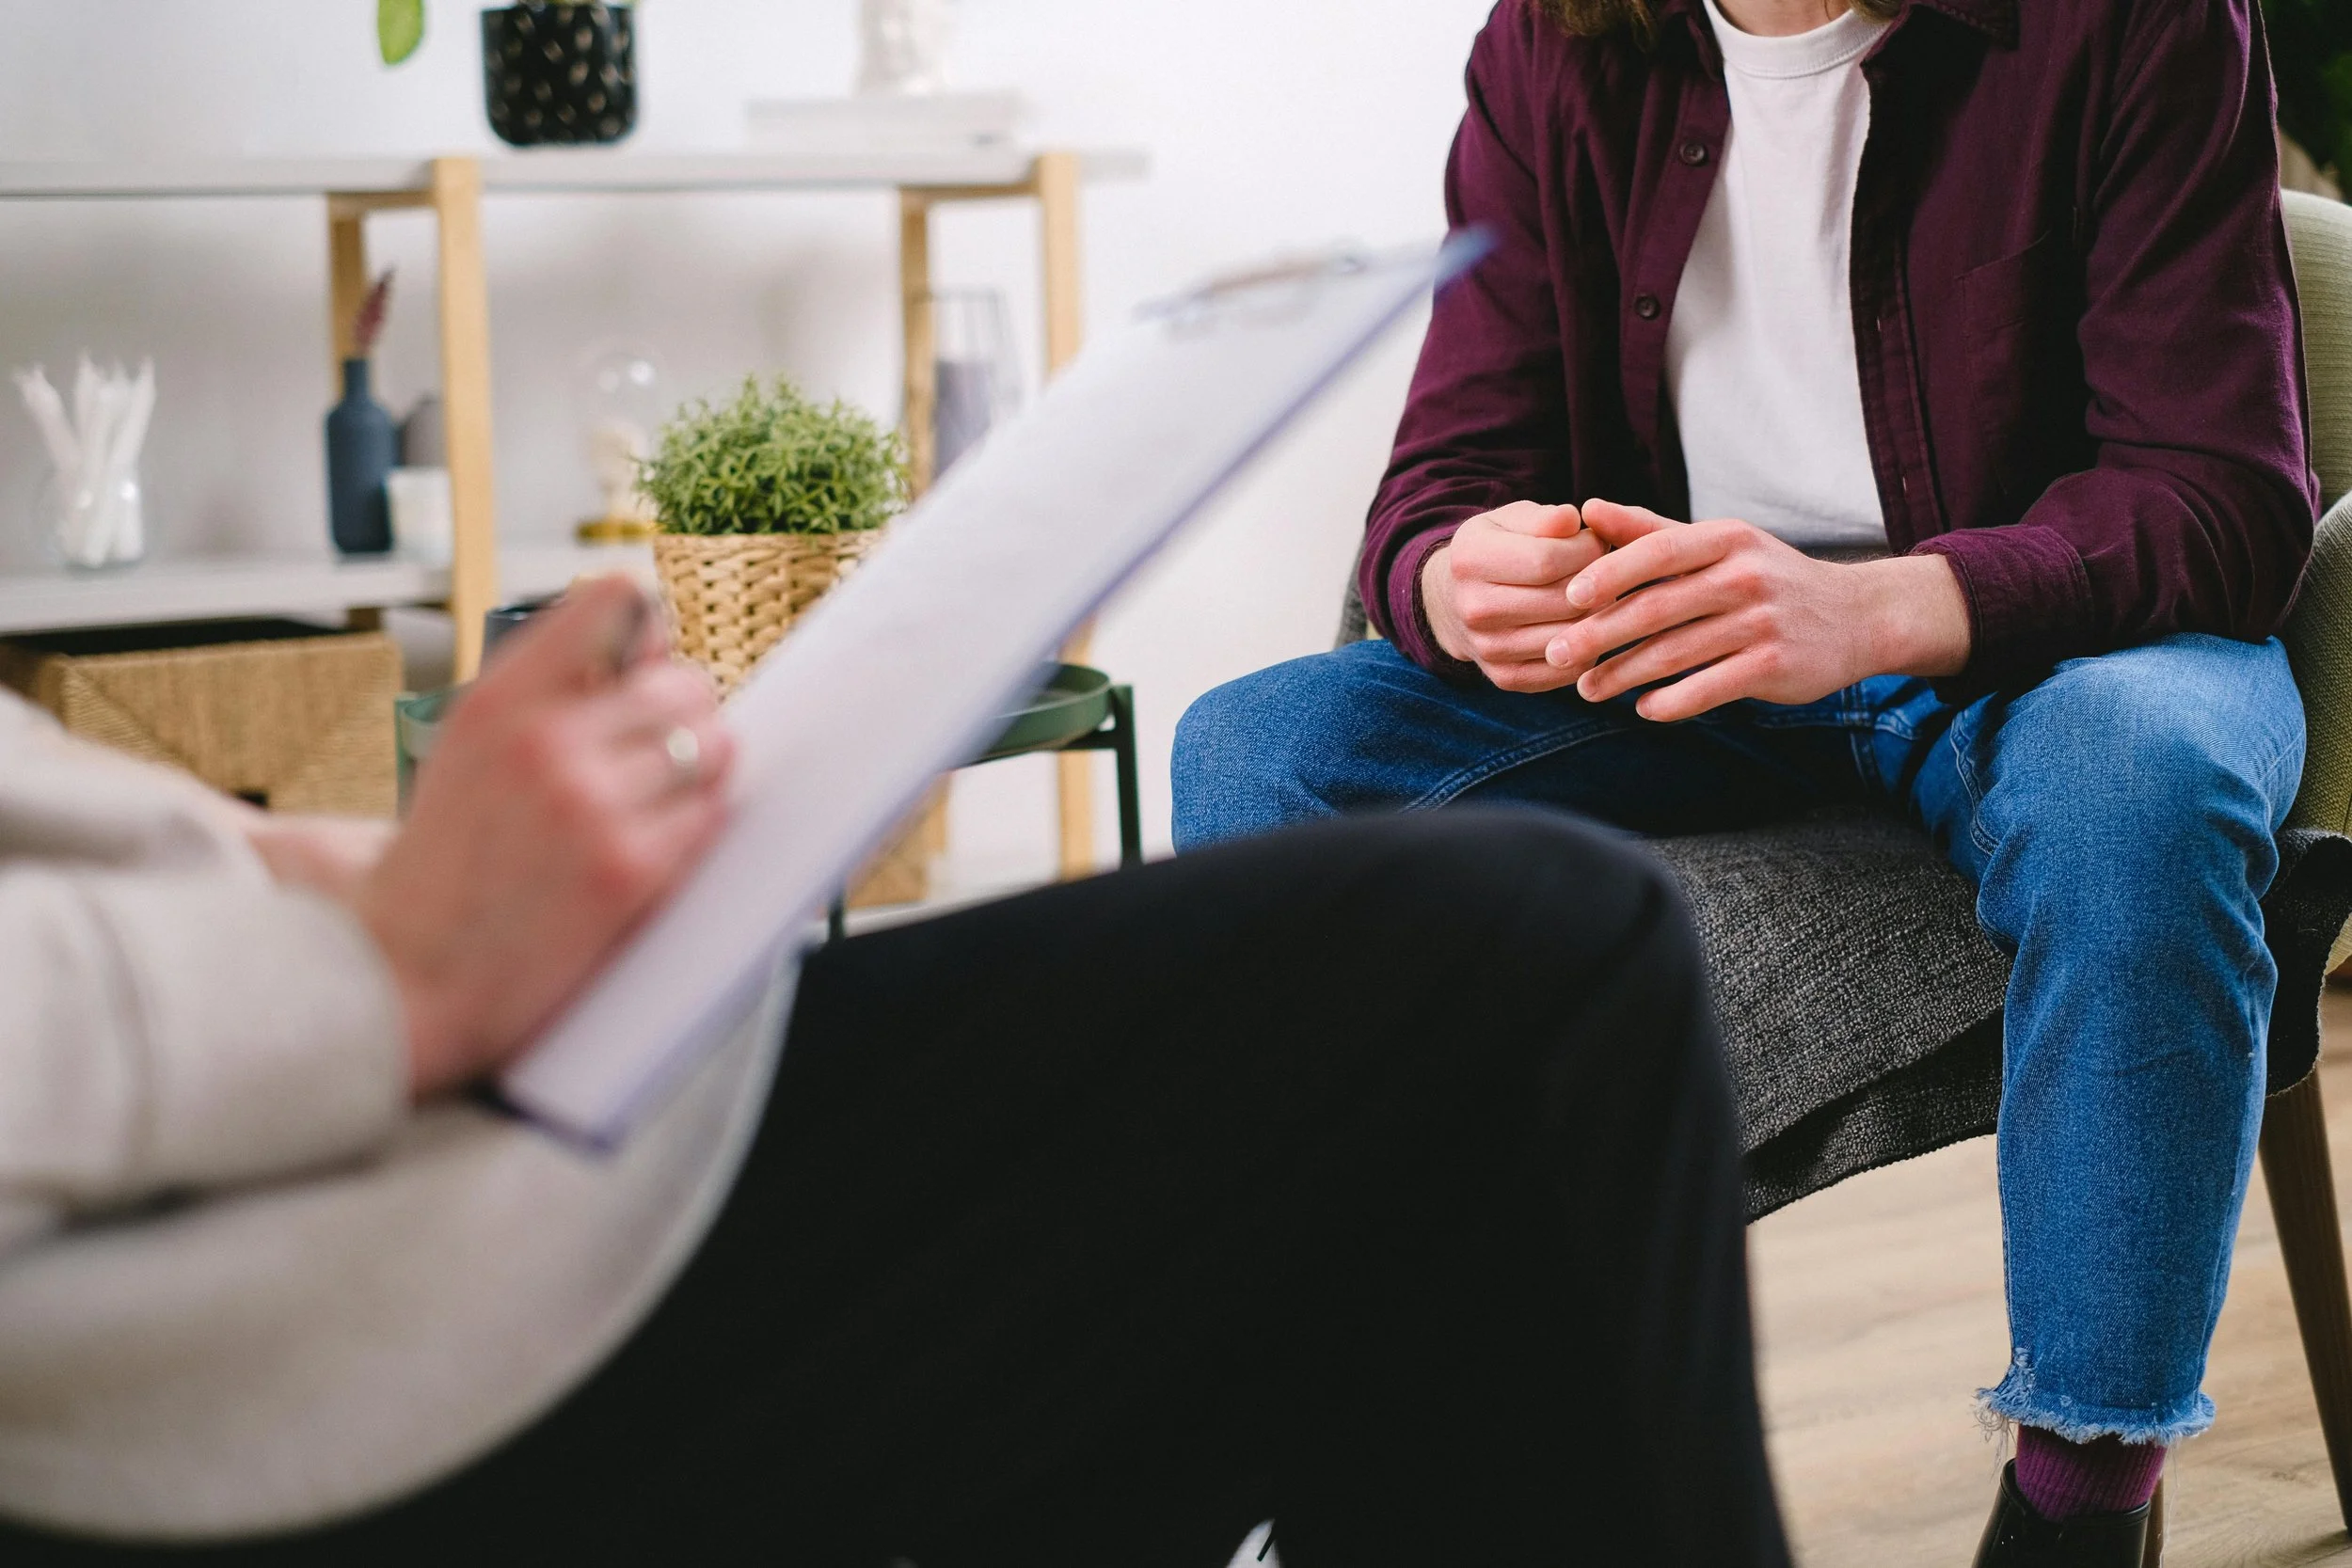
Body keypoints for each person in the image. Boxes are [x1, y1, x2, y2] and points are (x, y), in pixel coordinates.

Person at [1169, 0, 2313, 1562]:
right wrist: (1448, 576)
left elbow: (2226, 499)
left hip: (2045, 647)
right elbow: (1443, 473)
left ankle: (2080, 1500)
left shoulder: (2131, 22)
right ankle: (1384, 1429)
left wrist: (1877, 606)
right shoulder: (1556, 42)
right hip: (1690, 676)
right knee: (1249, 753)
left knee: (2142, 791)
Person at [0, 578, 1788, 1567]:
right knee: (1527, 967)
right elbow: (1437, 486)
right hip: (231, 1351)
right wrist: (382, 971)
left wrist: (333, 876)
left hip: (298, 1159)